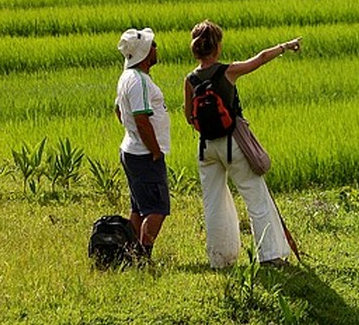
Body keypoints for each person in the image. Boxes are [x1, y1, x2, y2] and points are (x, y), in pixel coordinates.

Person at [185, 19, 300, 269]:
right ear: (217, 47)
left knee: (213, 203)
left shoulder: (190, 80)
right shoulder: (227, 71)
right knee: (255, 197)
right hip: (232, 144)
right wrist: (285, 46)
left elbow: (188, 117)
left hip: (206, 147)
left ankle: (220, 260)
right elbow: (259, 59)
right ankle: (269, 256)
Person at [115, 27, 171, 261]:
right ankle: (142, 255)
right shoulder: (139, 82)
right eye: (153, 45)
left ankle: (129, 253)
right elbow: (141, 118)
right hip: (144, 154)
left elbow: (118, 110)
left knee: (139, 207)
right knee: (157, 208)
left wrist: (132, 134)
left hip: (132, 150)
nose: (156, 48)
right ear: (146, 52)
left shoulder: (127, 77)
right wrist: (154, 150)